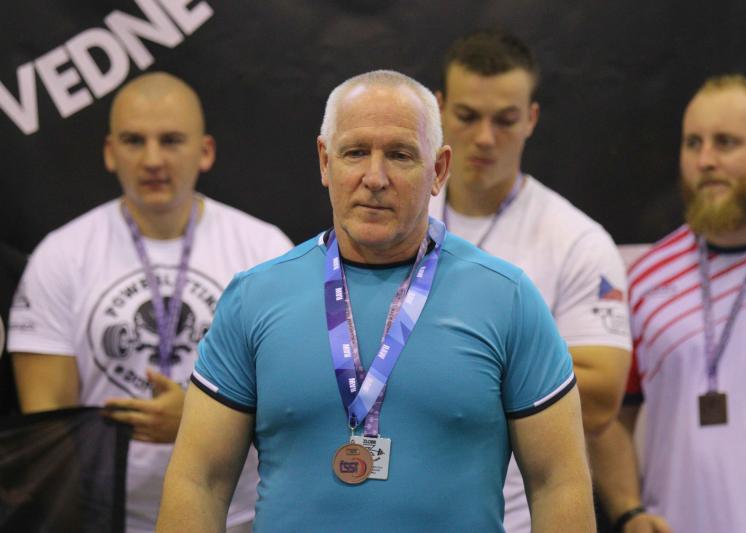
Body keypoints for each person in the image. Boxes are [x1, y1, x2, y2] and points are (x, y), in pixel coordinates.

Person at [157, 70, 594, 532]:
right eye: (355, 152)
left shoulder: (508, 299)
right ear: (325, 161)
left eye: (400, 155)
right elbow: (198, 481)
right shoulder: (253, 299)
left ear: (438, 170)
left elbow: (558, 482)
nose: (375, 177)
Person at [7, 72, 293, 533]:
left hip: (238, 518)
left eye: (171, 140)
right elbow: (48, 429)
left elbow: (295, 402)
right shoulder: (60, 256)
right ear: (109, 151)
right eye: (134, 140)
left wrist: (199, 422)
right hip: (105, 519)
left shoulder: (264, 250)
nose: (153, 159)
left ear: (205, 151)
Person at [432, 30, 632, 532]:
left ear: (531, 119)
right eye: (467, 115)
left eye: (505, 120)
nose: (484, 138)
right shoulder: (395, 218)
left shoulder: (576, 240)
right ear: (439, 109)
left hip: (516, 518)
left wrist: (440, 361)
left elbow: (601, 398)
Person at [595, 74, 746, 532]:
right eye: (693, 143)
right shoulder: (646, 277)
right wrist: (629, 510)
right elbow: (606, 417)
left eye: (726, 143)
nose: (705, 160)